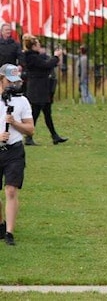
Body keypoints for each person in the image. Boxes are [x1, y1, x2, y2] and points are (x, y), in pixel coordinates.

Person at [0, 64, 34, 246]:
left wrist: (14, 123)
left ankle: (9, 232)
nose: (12, 86)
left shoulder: (22, 101)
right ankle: (1, 224)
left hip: (14, 150)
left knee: (11, 190)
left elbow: (31, 130)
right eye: (8, 82)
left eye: (15, 82)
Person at [20, 35, 68, 146]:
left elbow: (48, 63)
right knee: (35, 114)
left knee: (47, 113)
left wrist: (54, 59)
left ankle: (54, 136)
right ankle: (28, 137)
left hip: (42, 88)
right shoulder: (31, 57)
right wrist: (56, 57)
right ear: (33, 46)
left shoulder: (36, 56)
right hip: (37, 89)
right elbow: (46, 65)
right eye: (37, 44)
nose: (39, 46)